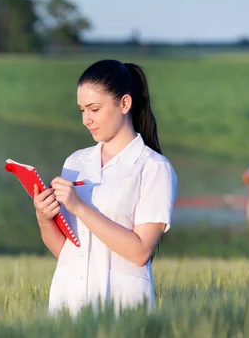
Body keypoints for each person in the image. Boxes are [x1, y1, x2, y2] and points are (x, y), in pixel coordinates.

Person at [32, 59, 178, 317]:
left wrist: (80, 207)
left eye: (94, 109)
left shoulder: (153, 168)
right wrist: (44, 217)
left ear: (124, 103)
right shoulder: (76, 162)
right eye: (81, 110)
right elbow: (66, 251)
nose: (86, 120)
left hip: (122, 309)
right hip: (68, 305)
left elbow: (141, 251)